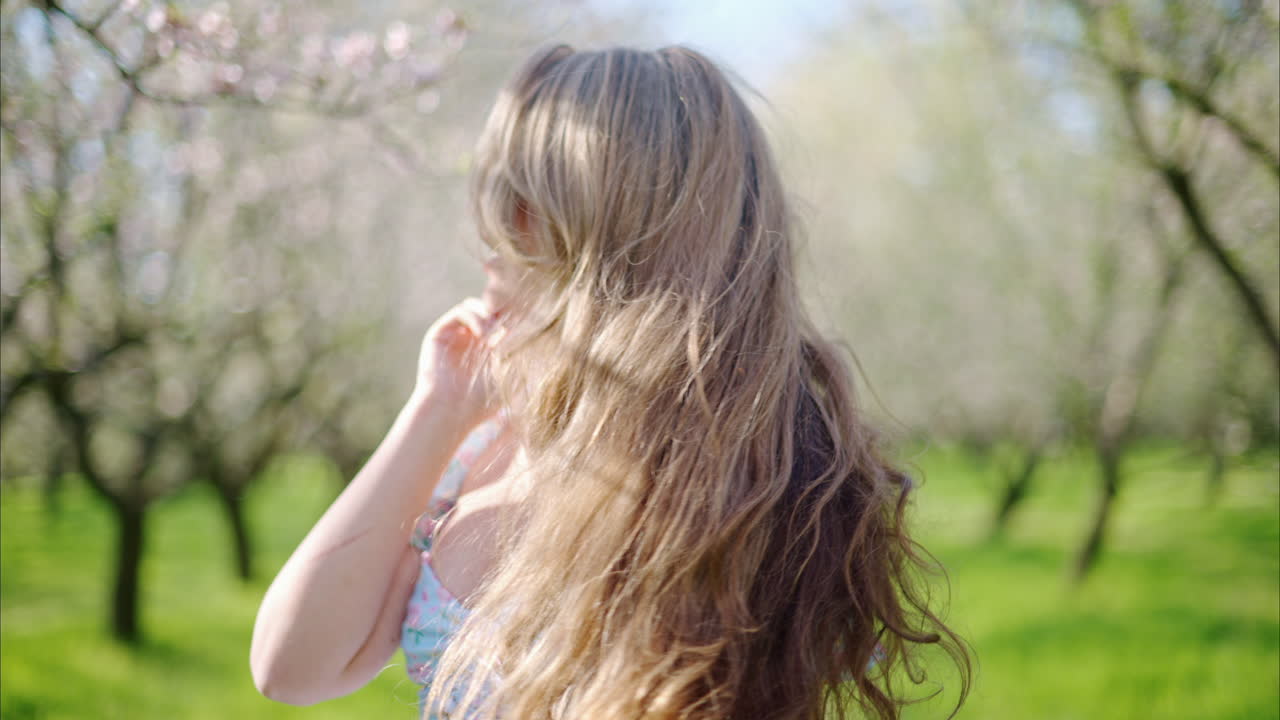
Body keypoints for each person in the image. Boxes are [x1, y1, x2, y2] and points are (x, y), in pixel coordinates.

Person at [250, 44, 971, 720]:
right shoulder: (479, 450)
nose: (490, 239)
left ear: (607, 234)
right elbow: (293, 668)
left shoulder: (737, 490)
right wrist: (435, 413)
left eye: (520, 204)